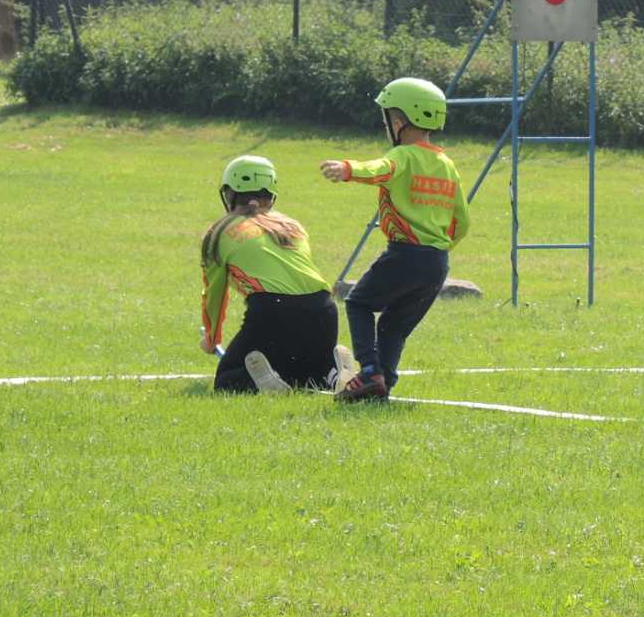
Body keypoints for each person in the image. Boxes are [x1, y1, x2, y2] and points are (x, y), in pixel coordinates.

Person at [320, 77, 470, 402]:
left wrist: (348, 169)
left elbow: (380, 168)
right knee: (394, 327)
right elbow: (462, 222)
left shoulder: (403, 156)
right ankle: (382, 385)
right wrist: (438, 250)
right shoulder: (447, 166)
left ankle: (370, 371)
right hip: (437, 263)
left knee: (358, 302)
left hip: (404, 255)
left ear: (399, 121)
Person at [200, 155, 351, 393]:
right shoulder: (291, 225)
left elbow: (214, 295)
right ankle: (331, 373)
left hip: (273, 310)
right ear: (271, 194)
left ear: (229, 194)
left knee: (227, 380)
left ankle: (260, 383)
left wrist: (211, 339)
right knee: (307, 375)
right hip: (324, 309)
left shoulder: (218, 232)